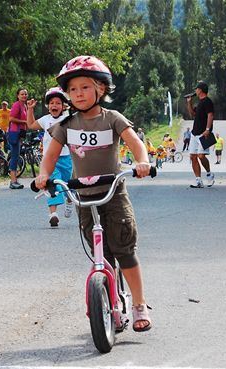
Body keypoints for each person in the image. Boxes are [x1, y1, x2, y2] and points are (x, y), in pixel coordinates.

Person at [35, 55, 152, 332]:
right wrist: (43, 175)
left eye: (85, 87)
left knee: (124, 250)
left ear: (101, 89)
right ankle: (111, 304)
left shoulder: (112, 118)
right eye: (73, 89)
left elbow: (134, 143)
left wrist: (142, 162)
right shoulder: (66, 125)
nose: (78, 94)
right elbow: (50, 154)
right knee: (101, 253)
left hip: (113, 192)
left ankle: (138, 304)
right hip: (83, 195)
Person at [26, 87, 73, 227]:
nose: (54, 105)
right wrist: (30, 109)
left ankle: (70, 201)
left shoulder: (68, 119)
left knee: (68, 184)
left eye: (58, 103)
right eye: (52, 103)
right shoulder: (45, 120)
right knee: (52, 184)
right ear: (48, 106)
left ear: (63, 106)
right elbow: (31, 125)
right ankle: (53, 214)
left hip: (66, 158)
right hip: (50, 160)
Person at [186, 81, 215, 188]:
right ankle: (198, 180)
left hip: (204, 133)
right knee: (193, 156)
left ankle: (209, 174)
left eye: (196, 89)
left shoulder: (208, 101)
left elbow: (210, 115)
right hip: (194, 133)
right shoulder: (199, 103)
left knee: (201, 155)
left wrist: (208, 129)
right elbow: (192, 114)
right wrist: (189, 102)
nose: (195, 91)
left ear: (201, 90)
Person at [8, 88, 29, 189]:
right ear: (18, 96)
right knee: (15, 156)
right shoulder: (16, 105)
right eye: (22, 94)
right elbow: (11, 118)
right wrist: (25, 122)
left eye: (25, 94)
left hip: (20, 133)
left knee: (16, 156)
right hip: (14, 132)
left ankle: (15, 180)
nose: (24, 96)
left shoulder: (24, 106)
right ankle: (13, 181)